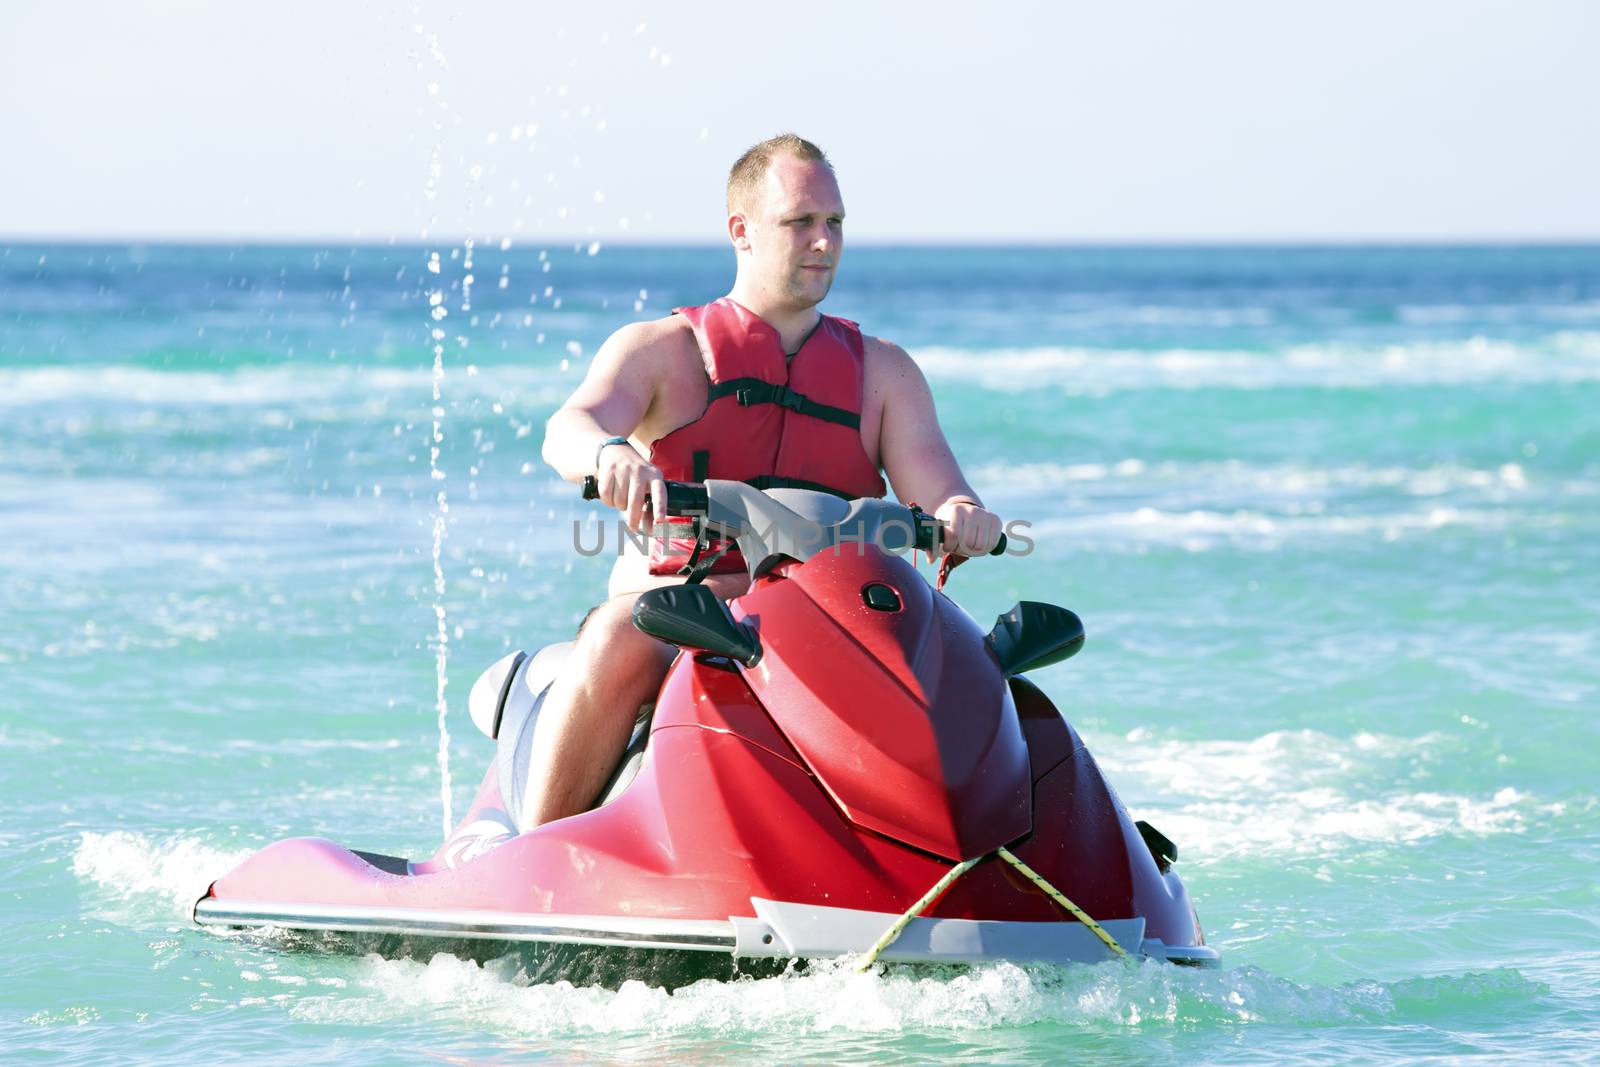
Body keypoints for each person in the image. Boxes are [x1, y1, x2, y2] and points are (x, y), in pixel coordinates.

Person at [531, 133, 1000, 826]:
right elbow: (566, 427)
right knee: (615, 633)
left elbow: (942, 489)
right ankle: (539, 848)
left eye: (835, 223)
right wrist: (607, 455)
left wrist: (965, 515)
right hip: (684, 612)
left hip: (837, 624)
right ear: (741, 232)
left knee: (971, 662)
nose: (824, 241)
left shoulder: (886, 374)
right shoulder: (662, 352)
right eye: (800, 222)